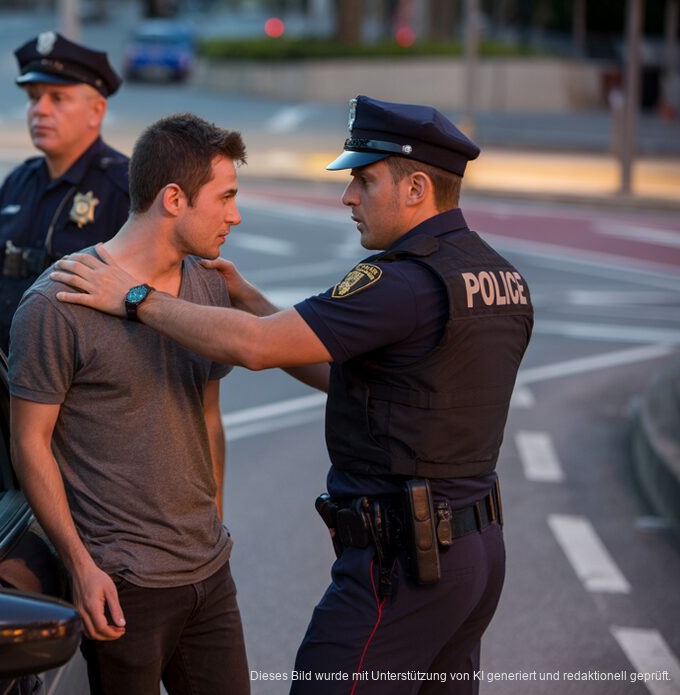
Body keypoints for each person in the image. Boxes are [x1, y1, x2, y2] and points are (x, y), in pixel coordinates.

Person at [50, 95, 534, 692]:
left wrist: (136, 299)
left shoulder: (402, 282)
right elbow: (359, 382)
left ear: (414, 189)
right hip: (475, 557)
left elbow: (257, 347)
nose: (348, 197)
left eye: (364, 180)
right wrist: (251, 299)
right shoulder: (496, 276)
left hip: (405, 565)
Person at [8, 113, 251, 695]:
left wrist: (211, 519)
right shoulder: (58, 303)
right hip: (125, 585)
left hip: (209, 573)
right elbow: (29, 442)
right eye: (225, 198)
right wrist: (82, 567)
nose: (235, 216)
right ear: (174, 199)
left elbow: (208, 416)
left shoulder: (209, 286)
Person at [0, 31, 130, 352]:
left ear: (97, 111)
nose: (40, 110)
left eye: (57, 98)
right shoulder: (18, 183)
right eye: (33, 97)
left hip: (81, 388)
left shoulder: (127, 188)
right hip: (2, 375)